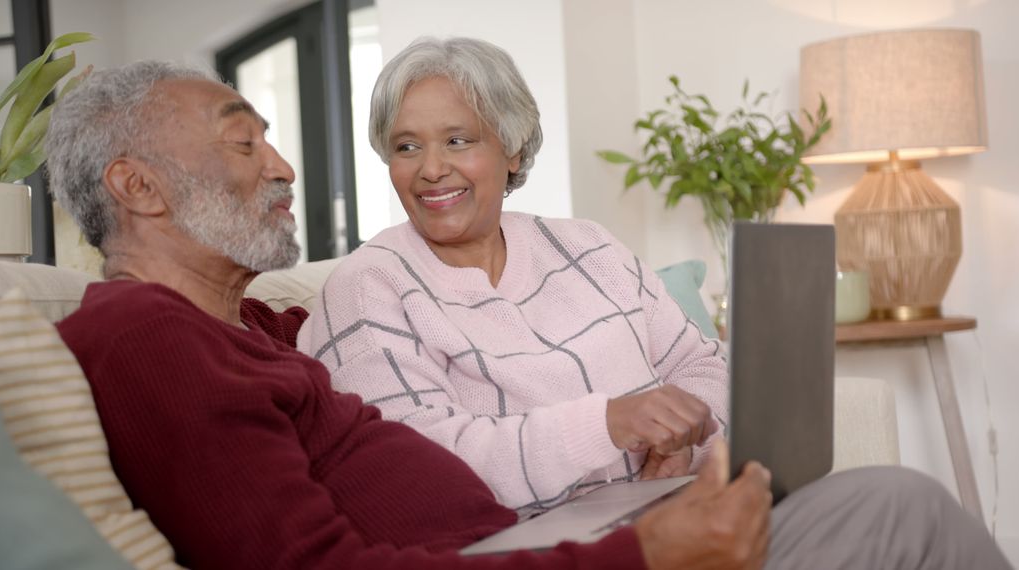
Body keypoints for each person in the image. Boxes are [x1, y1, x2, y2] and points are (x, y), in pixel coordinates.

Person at [44, 60, 1012, 569]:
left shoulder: (250, 330)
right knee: (899, 508)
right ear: (138, 187)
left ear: (511, 150)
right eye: (245, 143)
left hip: (578, 533)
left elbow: (694, 360)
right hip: (544, 549)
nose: (285, 167)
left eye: (460, 139)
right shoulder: (147, 338)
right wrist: (641, 551)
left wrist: (669, 466)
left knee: (887, 498)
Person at [300, 36, 726, 515]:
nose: (432, 169)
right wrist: (604, 426)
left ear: (514, 150)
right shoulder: (368, 287)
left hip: (674, 511)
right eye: (407, 146)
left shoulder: (590, 246)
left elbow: (704, 368)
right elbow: (415, 468)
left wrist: (683, 443)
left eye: (457, 140)